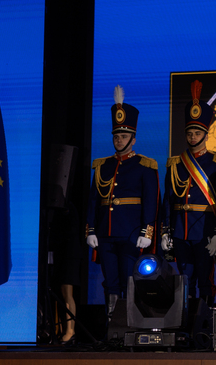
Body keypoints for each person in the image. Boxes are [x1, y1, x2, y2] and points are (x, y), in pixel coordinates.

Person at [86, 85, 160, 319]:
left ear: (133, 139)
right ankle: (112, 325)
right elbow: (94, 200)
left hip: (131, 233)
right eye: (116, 136)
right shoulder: (103, 165)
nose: (119, 140)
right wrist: (91, 229)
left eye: (124, 136)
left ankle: (128, 323)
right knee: (110, 282)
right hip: (106, 233)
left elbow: (151, 201)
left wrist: (147, 231)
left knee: (129, 280)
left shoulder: (145, 165)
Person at [161, 80, 216, 305]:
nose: (192, 137)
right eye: (189, 132)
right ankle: (186, 323)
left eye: (197, 132)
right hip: (180, 230)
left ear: (206, 134)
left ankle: (206, 323)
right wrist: (165, 232)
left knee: (205, 282)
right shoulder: (175, 164)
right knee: (184, 281)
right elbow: (168, 201)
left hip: (205, 231)